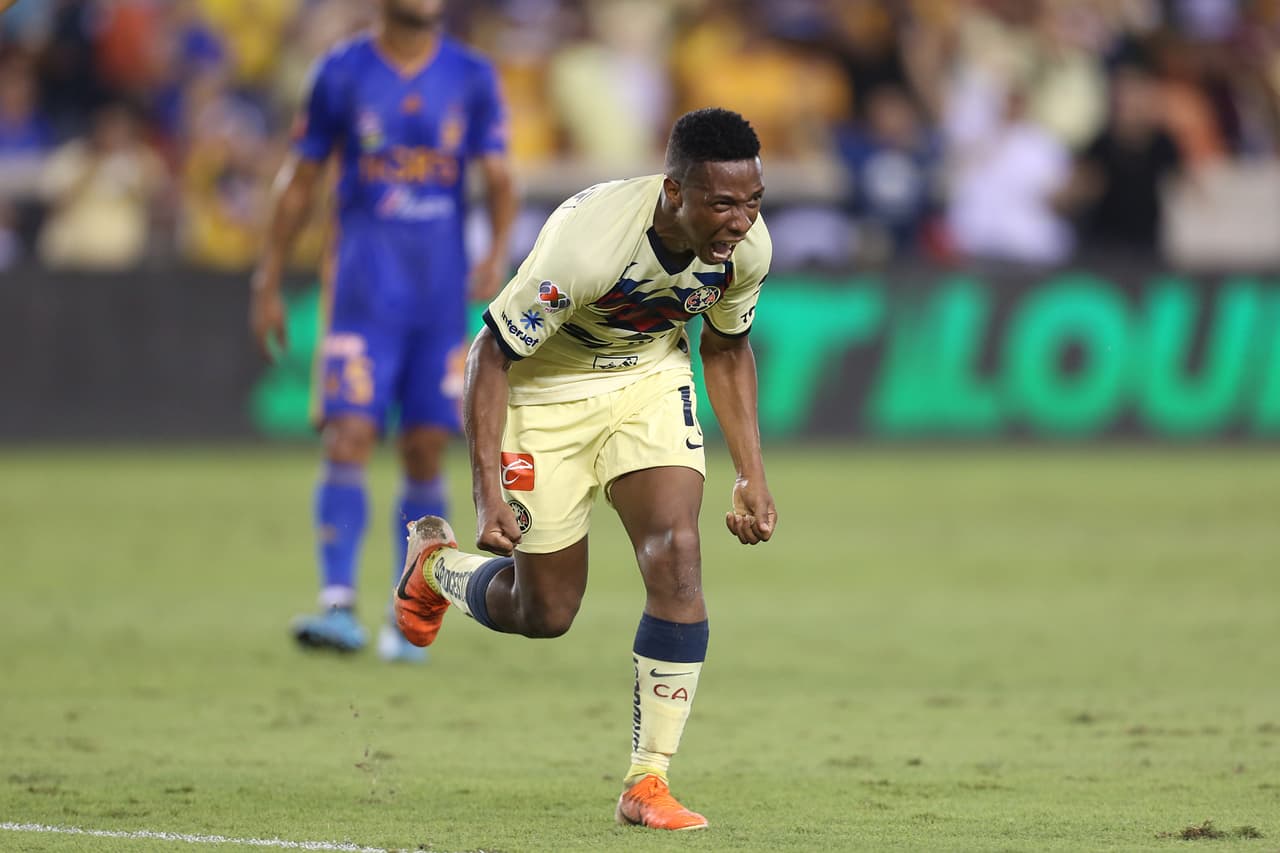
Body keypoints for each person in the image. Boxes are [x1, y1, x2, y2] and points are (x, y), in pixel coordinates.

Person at [394, 107, 778, 830]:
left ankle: (647, 779)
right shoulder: (590, 245)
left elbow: (726, 349)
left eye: (753, 201)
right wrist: (485, 491)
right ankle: (435, 566)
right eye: (723, 204)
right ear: (674, 192)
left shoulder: (747, 248)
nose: (740, 221)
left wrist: (749, 474)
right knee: (544, 613)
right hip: (544, 395)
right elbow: (490, 354)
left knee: (678, 553)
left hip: (648, 383)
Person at [249, 0, 516, 662]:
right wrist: (268, 276)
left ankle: (408, 617)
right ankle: (338, 604)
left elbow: (500, 174)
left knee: (424, 446)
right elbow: (301, 178)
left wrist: (495, 252)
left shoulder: (472, 75)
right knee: (348, 434)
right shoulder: (341, 72)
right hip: (363, 295)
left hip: (438, 299)